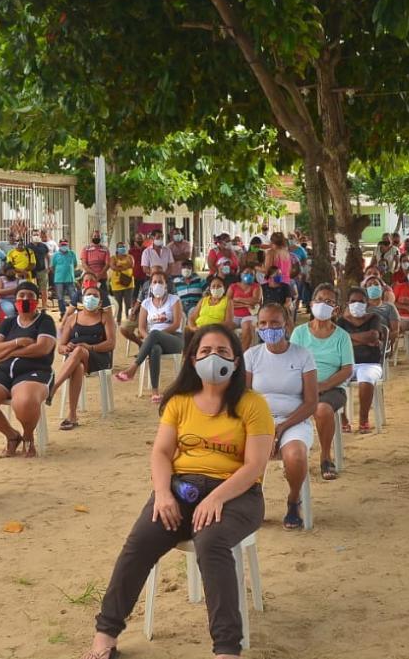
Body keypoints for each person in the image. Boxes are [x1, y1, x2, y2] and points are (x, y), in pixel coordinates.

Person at [83, 325, 274, 659]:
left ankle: (227, 648)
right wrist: (162, 493)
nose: (213, 358)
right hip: (180, 489)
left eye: (222, 351)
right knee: (141, 540)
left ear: (236, 360)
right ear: (192, 358)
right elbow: (160, 453)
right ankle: (105, 635)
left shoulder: (252, 404)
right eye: (205, 351)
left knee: (211, 541)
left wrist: (217, 497)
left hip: (236, 494)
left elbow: (255, 465)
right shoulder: (180, 402)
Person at [244, 304, 319, 529]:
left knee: (295, 456)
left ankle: (294, 500)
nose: (269, 328)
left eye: (275, 323)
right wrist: (265, 428)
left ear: (286, 325)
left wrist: (282, 427)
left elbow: (311, 402)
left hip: (294, 420)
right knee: (244, 454)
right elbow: (244, 399)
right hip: (259, 421)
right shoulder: (252, 356)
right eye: (263, 323)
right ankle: (252, 504)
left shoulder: (303, 355)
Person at [0, 283, 57, 457]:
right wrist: (18, 342)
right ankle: (12, 436)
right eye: (21, 295)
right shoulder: (8, 323)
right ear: (15, 299)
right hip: (4, 372)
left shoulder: (45, 321)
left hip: (34, 370)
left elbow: (42, 348)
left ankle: (28, 435)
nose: (25, 299)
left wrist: (9, 352)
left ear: (37, 300)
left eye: (30, 295)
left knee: (24, 402)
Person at [291, 285, 355, 481]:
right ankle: (290, 455)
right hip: (301, 386)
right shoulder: (299, 333)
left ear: (336, 309)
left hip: (332, 388)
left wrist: (323, 386)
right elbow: (291, 363)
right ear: (311, 304)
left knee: (323, 410)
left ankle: (326, 457)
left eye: (329, 302)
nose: (322, 304)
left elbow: (347, 369)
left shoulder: (342, 336)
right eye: (319, 300)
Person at [47, 284, 116, 430]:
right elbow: (60, 346)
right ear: (82, 299)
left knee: (79, 350)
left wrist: (90, 347)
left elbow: (111, 343)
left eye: (95, 296)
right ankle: (72, 415)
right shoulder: (72, 318)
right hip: (76, 359)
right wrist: (66, 348)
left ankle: (53, 388)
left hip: (99, 357)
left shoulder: (105, 317)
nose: (91, 298)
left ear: (100, 302)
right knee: (78, 366)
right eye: (88, 295)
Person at [116, 272, 185, 403]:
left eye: (160, 282)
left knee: (154, 333)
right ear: (150, 285)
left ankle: (133, 368)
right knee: (154, 349)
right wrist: (151, 338)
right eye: (154, 282)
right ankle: (155, 393)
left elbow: (176, 324)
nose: (157, 284)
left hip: (174, 339)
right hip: (154, 341)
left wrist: (157, 335)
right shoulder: (146, 303)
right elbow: (141, 328)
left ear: (166, 285)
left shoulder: (174, 299)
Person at [336, 287, 386, 433]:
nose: (356, 304)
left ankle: (363, 420)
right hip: (346, 363)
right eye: (353, 301)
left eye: (361, 301)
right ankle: (343, 419)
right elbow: (338, 342)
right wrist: (364, 339)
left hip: (370, 363)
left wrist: (348, 338)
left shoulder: (374, 318)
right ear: (347, 303)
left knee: (366, 379)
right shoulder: (341, 321)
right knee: (335, 382)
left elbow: (374, 336)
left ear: (367, 304)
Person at [188, 275, 234, 344]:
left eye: (219, 286)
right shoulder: (203, 300)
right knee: (187, 333)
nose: (216, 288)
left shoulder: (228, 301)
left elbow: (228, 322)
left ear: (224, 288)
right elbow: (192, 318)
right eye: (213, 286)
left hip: (216, 330)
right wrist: (193, 328)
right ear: (210, 289)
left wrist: (209, 328)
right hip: (198, 330)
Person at [228, 265, 262, 350]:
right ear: (241, 274)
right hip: (234, 316)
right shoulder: (233, 286)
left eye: (252, 274)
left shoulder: (256, 286)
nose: (249, 275)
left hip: (249, 315)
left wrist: (238, 299)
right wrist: (246, 304)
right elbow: (228, 302)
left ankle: (242, 353)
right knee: (224, 328)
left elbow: (255, 300)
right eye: (246, 273)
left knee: (247, 328)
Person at [108, 240, 136, 321]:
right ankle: (118, 322)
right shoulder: (113, 258)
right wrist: (125, 266)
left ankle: (129, 321)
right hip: (116, 285)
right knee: (118, 305)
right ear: (117, 249)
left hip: (129, 283)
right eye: (120, 247)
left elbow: (131, 265)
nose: (122, 248)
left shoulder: (130, 257)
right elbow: (113, 267)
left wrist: (119, 267)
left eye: (123, 246)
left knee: (128, 304)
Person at [52, 239, 80, 316]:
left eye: (65, 245)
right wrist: (59, 273)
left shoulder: (72, 253)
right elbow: (52, 267)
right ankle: (63, 313)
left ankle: (74, 312)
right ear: (59, 245)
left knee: (73, 296)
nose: (64, 246)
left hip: (70, 279)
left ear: (68, 245)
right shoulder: (55, 255)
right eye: (62, 245)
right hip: (58, 280)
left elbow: (75, 265)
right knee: (60, 297)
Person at [82, 231, 111, 295]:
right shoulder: (86, 249)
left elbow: (107, 264)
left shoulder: (105, 249)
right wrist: (93, 274)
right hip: (89, 278)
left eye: (98, 236)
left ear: (100, 238)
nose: (96, 237)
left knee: (104, 297)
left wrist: (99, 275)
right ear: (91, 237)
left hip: (102, 277)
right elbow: (84, 264)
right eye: (95, 236)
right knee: (90, 297)